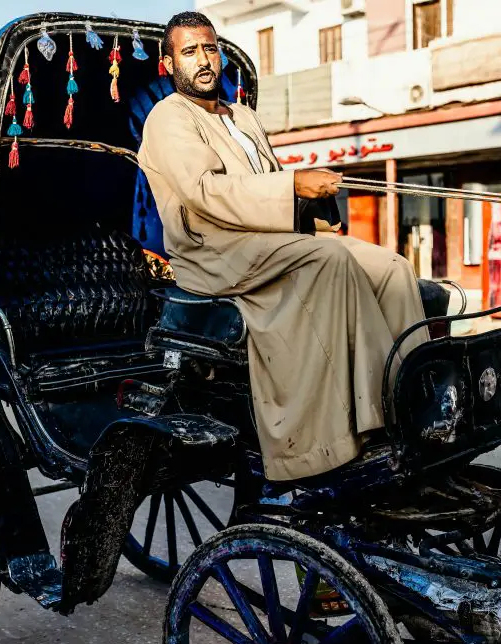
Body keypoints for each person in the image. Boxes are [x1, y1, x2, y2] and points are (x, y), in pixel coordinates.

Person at [138, 12, 431, 481]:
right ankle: (370, 421)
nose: (203, 60)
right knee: (329, 258)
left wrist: (313, 198)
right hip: (213, 251)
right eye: (189, 52)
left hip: (268, 239)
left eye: (210, 48)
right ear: (168, 63)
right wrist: (294, 184)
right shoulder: (168, 117)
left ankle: (418, 403)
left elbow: (270, 188)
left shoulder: (244, 117)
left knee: (392, 267)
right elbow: (206, 193)